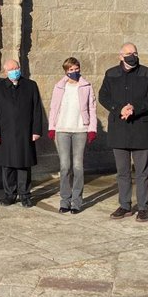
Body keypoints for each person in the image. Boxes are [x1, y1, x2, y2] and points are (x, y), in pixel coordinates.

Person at [98, 43, 148, 222]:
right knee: (122, 171)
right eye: (128, 53)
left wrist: (135, 108)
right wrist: (118, 109)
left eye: (135, 53)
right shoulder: (111, 74)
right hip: (119, 128)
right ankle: (125, 205)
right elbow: (103, 96)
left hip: (140, 127)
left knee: (142, 172)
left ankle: (143, 207)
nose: (132, 55)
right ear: (120, 56)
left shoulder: (147, 73)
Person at [0, 59, 43, 208]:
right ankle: (10, 195)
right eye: (11, 69)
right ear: (6, 72)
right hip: (6, 132)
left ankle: (25, 195)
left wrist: (36, 130)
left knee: (23, 165)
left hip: (25, 132)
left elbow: (37, 110)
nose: (15, 70)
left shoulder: (30, 85)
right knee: (8, 165)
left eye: (16, 67)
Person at [47, 57, 97, 214]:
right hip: (62, 129)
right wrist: (52, 127)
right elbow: (53, 107)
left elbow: (92, 108)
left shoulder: (86, 86)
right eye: (71, 70)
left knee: (77, 166)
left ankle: (76, 201)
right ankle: (64, 200)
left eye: (76, 69)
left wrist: (92, 129)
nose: (74, 72)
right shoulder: (60, 86)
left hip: (80, 129)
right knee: (64, 166)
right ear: (66, 71)